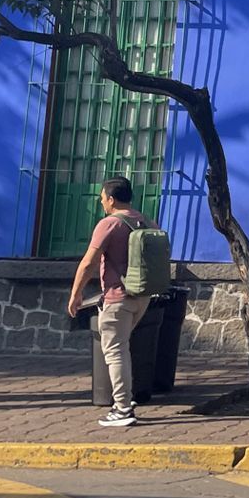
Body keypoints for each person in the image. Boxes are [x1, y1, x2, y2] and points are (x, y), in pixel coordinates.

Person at [65, 176, 158, 429]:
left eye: (103, 198)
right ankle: (126, 398)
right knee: (123, 348)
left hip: (118, 298)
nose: (101, 202)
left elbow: (88, 262)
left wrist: (76, 294)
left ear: (112, 199)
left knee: (115, 353)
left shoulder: (109, 224)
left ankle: (122, 408)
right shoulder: (145, 221)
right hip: (143, 296)